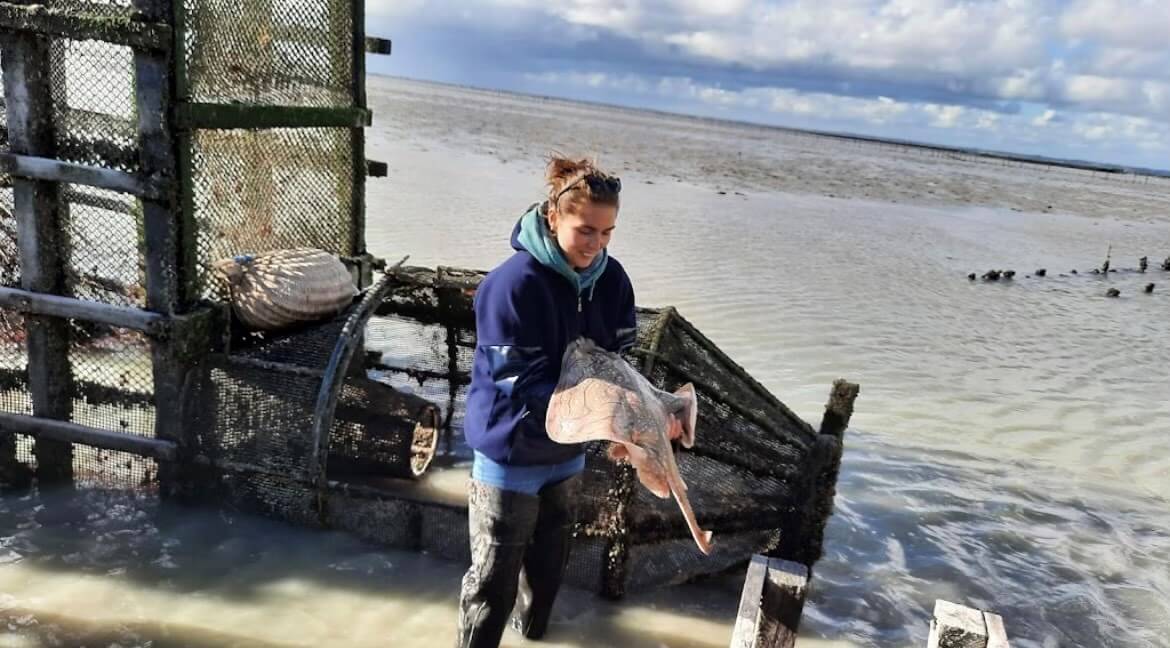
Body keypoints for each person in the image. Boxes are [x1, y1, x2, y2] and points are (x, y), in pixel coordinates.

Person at [455, 156, 637, 647]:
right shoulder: (511, 286)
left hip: (567, 455)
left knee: (548, 571)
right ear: (553, 217)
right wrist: (603, 418)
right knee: (492, 583)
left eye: (607, 233)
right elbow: (520, 382)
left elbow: (619, 360)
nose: (596, 245)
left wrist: (639, 421)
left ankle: (533, 638)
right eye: (585, 231)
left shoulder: (613, 280)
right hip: (510, 451)